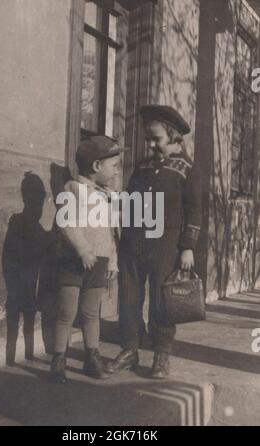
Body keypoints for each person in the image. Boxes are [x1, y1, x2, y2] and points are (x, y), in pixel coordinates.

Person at [106, 105, 202, 379]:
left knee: (162, 300)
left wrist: (187, 247)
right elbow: (129, 200)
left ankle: (162, 354)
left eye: (156, 139)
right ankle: (129, 350)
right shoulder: (143, 166)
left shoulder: (186, 169)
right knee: (129, 296)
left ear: (172, 136)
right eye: (148, 138)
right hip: (133, 242)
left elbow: (194, 211)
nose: (150, 144)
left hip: (165, 245)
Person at [49, 136, 122, 384]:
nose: (116, 171)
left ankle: (92, 358)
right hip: (74, 259)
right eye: (113, 165)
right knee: (66, 311)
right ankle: (58, 360)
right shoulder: (73, 189)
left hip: (99, 261)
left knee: (92, 312)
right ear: (96, 166)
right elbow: (67, 223)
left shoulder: (105, 195)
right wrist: (82, 250)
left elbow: (109, 231)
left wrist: (112, 260)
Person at [2, 172, 47, 366]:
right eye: (36, 201)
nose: (39, 207)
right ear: (26, 198)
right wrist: (12, 284)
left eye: (40, 203)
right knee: (14, 323)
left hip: (28, 283)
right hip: (18, 282)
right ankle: (11, 360)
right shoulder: (18, 222)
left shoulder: (38, 229)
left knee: (27, 320)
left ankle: (27, 356)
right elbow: (9, 256)